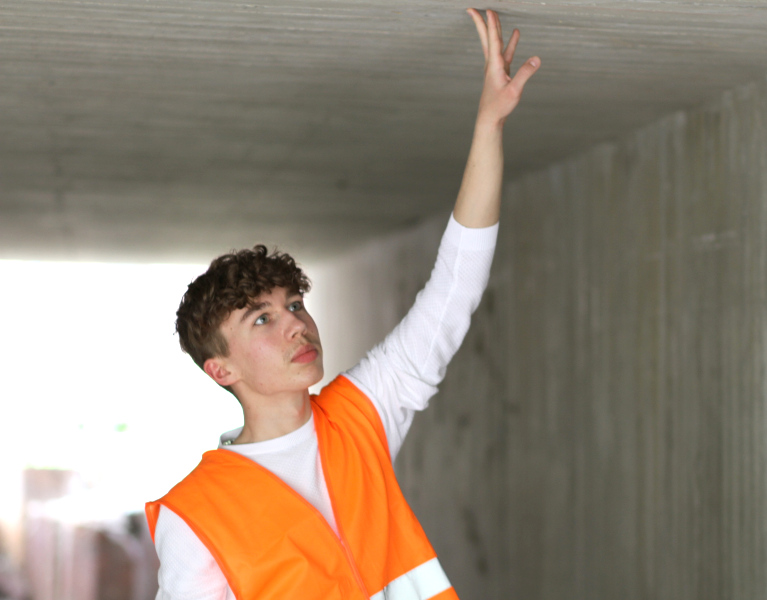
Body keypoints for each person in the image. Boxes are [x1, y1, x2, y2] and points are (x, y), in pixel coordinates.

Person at [145, 8, 540, 600]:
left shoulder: (363, 413)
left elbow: (455, 287)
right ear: (220, 369)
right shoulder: (195, 515)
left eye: (295, 304)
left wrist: (489, 126)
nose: (296, 326)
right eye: (263, 318)